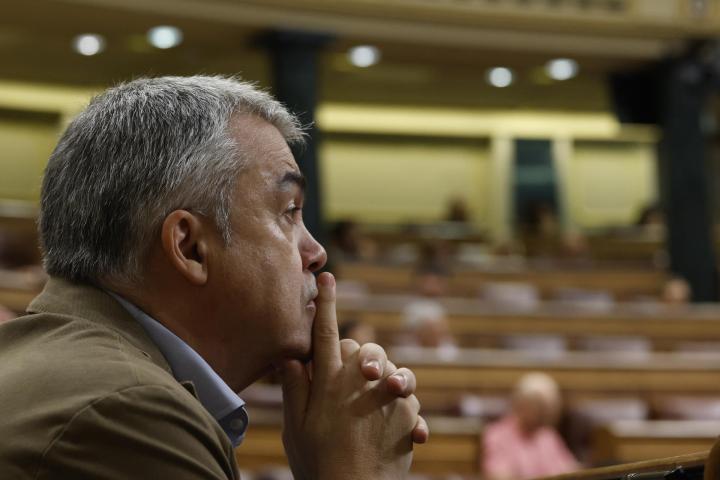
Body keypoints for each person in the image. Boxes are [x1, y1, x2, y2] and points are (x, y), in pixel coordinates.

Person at [0, 76, 428, 479]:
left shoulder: (59, 363)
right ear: (190, 247)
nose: (317, 253)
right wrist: (355, 467)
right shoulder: (128, 410)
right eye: (289, 212)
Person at [482, 372, 579, 480]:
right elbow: (499, 476)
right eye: (540, 407)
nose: (545, 414)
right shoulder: (497, 435)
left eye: (547, 409)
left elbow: (572, 470)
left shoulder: (548, 435)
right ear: (521, 404)